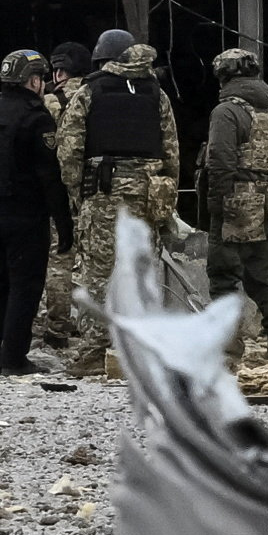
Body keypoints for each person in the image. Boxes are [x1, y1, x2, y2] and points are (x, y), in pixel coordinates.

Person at [63, 27, 181, 370]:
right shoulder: (156, 93)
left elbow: (69, 149)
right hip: (147, 192)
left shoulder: (89, 91)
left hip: (104, 192)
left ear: (101, 58)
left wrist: (75, 193)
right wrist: (167, 190)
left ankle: (96, 352)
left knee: (100, 273)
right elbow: (171, 148)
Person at [0, 48, 64, 376]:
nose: (45, 84)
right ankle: (14, 360)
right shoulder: (37, 117)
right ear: (32, 80)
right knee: (26, 284)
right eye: (42, 78)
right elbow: (50, 176)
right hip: (25, 215)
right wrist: (64, 224)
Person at [198, 45, 268, 345]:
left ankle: (227, 350)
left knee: (224, 282)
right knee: (262, 280)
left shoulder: (226, 112)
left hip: (232, 208)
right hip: (263, 208)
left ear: (223, 77)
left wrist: (216, 204)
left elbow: (221, 161)